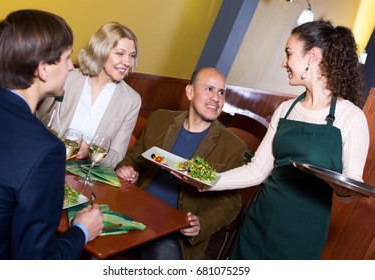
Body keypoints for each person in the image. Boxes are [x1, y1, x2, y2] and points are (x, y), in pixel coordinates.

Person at [201, 20, 370, 259]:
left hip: (302, 236)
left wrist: (341, 187)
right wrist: (205, 180)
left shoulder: (350, 117)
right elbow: (257, 170)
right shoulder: (285, 110)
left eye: (289, 54)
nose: (283, 63)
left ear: (312, 57)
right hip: (259, 222)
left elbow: (350, 189)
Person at [0, 9, 103, 260]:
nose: (71, 67)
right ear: (43, 70)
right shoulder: (45, 149)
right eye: (67, 57)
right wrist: (81, 231)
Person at [116, 67, 247, 259]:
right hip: (134, 211)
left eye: (221, 92)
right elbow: (134, 159)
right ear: (190, 92)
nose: (216, 98)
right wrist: (128, 169)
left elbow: (231, 202)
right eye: (209, 89)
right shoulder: (160, 119)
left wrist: (201, 223)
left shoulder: (232, 146)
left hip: (174, 233)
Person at [36, 22, 141, 168]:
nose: (127, 62)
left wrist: (90, 152)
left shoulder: (131, 100)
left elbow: (117, 157)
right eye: (120, 53)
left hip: (85, 174)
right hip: (45, 160)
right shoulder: (66, 77)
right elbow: (39, 123)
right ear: (100, 50)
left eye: (132, 56)